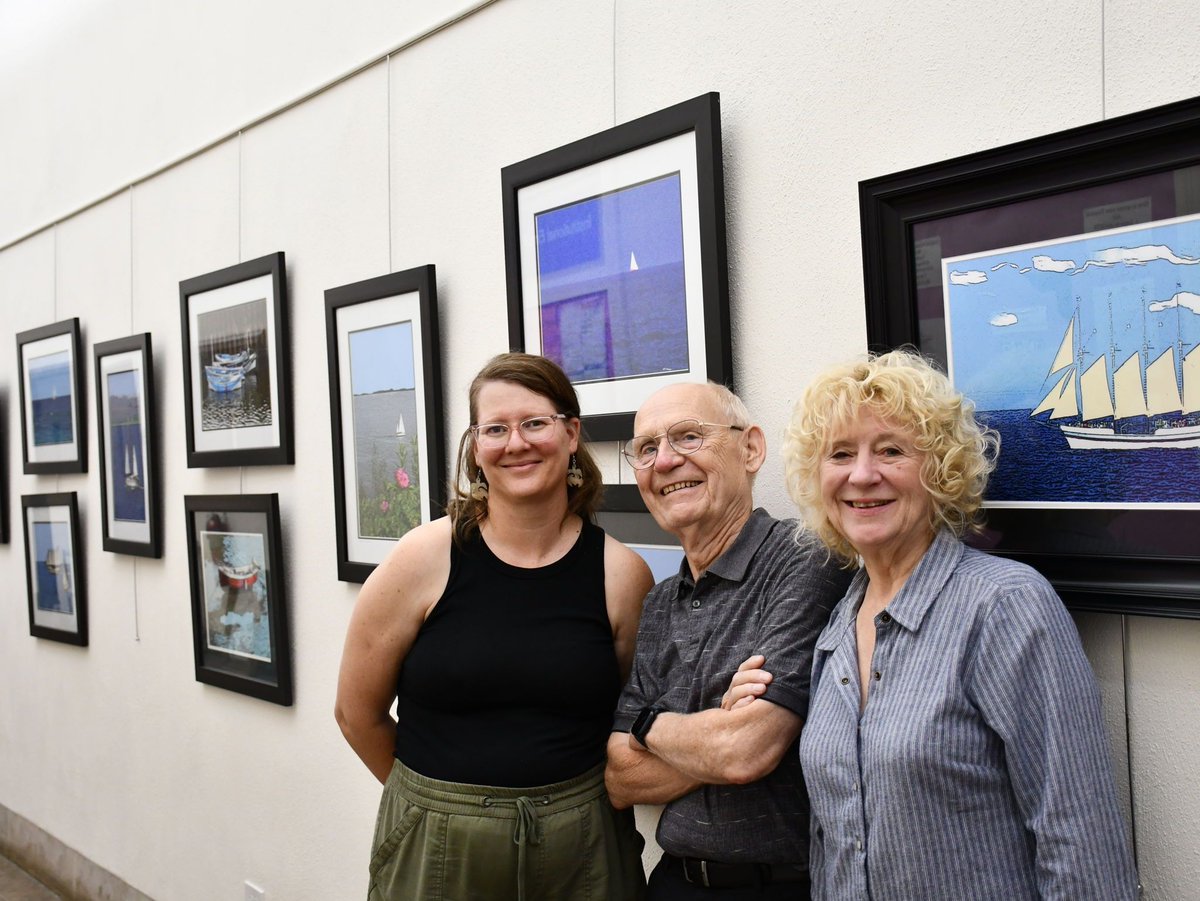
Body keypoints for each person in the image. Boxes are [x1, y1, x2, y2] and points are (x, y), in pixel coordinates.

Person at [769, 349, 1138, 899]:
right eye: (839, 454)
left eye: (891, 450)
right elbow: (833, 846)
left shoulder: (1005, 606)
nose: (862, 475)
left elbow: (1080, 840)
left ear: (939, 468)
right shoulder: (839, 625)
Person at [335, 352, 652, 901]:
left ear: (572, 433)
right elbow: (355, 714)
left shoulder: (622, 575)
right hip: (439, 847)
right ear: (476, 447)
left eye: (534, 423)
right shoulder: (424, 557)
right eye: (496, 429)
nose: (516, 443)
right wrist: (436, 811)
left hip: (584, 849)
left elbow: (627, 716)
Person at [605, 382, 852, 900]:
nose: (665, 461)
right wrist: (717, 724)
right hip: (674, 882)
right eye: (646, 449)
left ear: (751, 449)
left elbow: (746, 749)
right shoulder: (660, 601)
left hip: (778, 887)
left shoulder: (804, 559)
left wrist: (651, 724)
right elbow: (620, 777)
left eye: (688, 437)